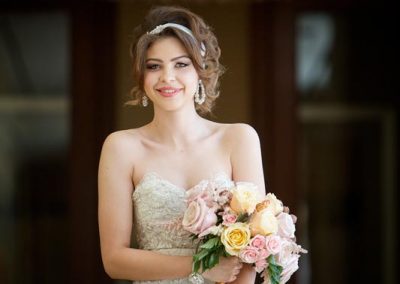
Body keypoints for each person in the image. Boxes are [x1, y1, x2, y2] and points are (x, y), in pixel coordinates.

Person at [98, 5, 265, 284]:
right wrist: (199, 265)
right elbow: (114, 259)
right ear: (142, 75)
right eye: (154, 66)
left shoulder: (239, 139)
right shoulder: (121, 147)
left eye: (181, 64)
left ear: (200, 71)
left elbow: (252, 248)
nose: (167, 77)